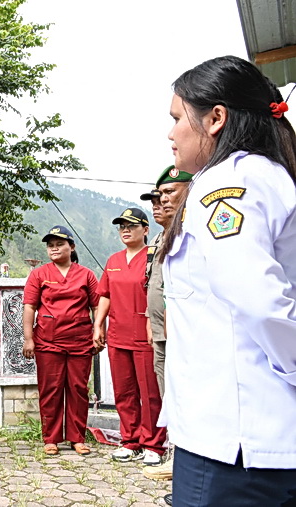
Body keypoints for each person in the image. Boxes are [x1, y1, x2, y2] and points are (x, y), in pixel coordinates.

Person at [160, 56, 296, 505]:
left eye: (178, 118)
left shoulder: (227, 183)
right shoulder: (266, 176)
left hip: (236, 446)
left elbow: (260, 302)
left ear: (215, 118)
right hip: (250, 436)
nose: (171, 133)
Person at [93, 207, 166, 466]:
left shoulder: (154, 257)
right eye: (121, 226)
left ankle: (154, 444)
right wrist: (98, 324)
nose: (125, 230)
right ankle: (130, 441)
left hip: (145, 335)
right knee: (124, 392)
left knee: (150, 393)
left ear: (145, 230)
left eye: (131, 226)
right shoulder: (113, 260)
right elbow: (105, 294)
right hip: (118, 335)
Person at [22, 225, 99, 457]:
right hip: (47, 341)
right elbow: (29, 307)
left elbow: (97, 305)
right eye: (50, 245)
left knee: (78, 389)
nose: (54, 249)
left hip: (80, 341)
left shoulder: (86, 274)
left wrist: (98, 333)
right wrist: (28, 338)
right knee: (51, 389)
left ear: (71, 247)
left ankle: (77, 437)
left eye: (59, 244)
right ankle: (51, 438)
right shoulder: (39, 274)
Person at [139, 166, 191, 489]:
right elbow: (153, 284)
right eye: (157, 198)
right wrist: (149, 318)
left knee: (184, 394)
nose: (160, 203)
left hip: (180, 333)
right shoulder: (161, 238)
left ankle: (184, 458)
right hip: (160, 331)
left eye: (167, 195)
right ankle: (175, 454)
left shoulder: (189, 230)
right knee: (167, 394)